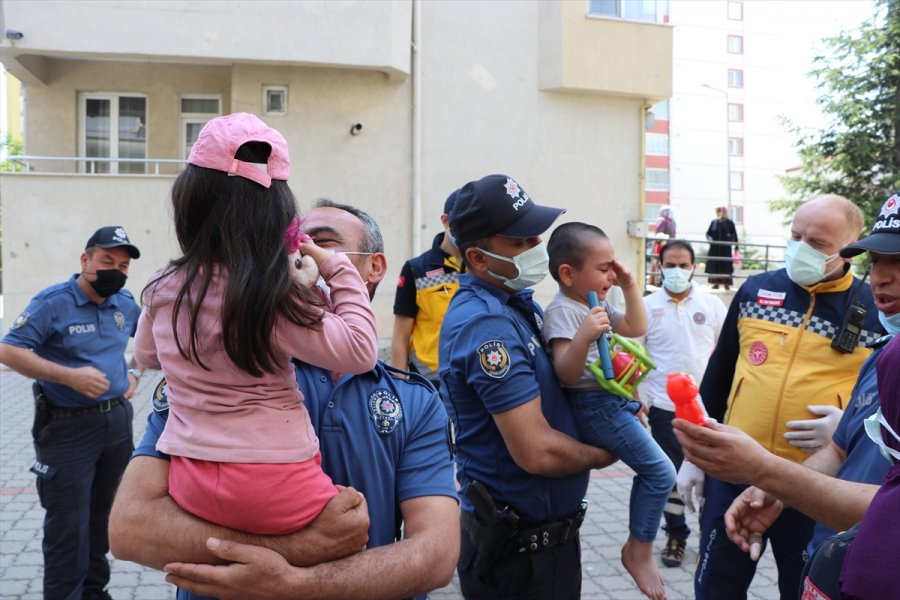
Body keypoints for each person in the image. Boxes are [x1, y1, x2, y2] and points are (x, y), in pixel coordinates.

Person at [109, 199, 460, 600]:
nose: (298, 255)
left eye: (322, 244)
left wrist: (295, 585)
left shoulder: (414, 401)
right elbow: (131, 530)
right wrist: (298, 548)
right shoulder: (217, 373)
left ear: (373, 268)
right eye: (292, 245)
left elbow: (436, 554)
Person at [133, 113, 379, 536]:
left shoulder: (162, 286)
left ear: (188, 206)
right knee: (351, 529)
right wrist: (335, 267)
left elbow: (147, 355)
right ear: (278, 215)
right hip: (276, 483)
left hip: (192, 479)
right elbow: (359, 351)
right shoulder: (272, 296)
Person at [674, 191, 900, 600]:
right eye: (796, 237)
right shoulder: (757, 291)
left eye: (817, 244)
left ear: (845, 253)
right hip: (743, 473)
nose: (800, 250)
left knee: (797, 585)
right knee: (716, 586)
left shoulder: (874, 311)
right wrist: (696, 456)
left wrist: (845, 428)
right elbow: (719, 375)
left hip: (816, 486)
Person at [438, 174, 617, 600]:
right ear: (479, 259)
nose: (538, 247)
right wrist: (608, 453)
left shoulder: (519, 305)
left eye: (536, 235)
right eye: (520, 243)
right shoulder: (487, 324)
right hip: (517, 558)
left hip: (546, 547)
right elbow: (536, 450)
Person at [671, 336, 899, 600]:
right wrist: (775, 490)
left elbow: (891, 511)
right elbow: (838, 450)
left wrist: (767, 472)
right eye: (871, 288)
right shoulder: (883, 356)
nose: (876, 291)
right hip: (829, 560)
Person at [0, 226, 144, 600]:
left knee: (102, 521)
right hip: (67, 428)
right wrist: (68, 376)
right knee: (68, 528)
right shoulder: (54, 302)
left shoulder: (124, 303)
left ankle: (94, 593)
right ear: (86, 260)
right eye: (107, 261)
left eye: (123, 264)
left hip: (116, 422)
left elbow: (148, 340)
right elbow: (9, 351)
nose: (116, 269)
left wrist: (132, 371)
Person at [541, 222, 671, 600]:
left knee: (655, 471)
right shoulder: (564, 312)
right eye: (603, 269)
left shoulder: (592, 303)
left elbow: (635, 325)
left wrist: (631, 285)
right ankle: (639, 550)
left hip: (615, 400)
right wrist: (583, 335)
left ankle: (640, 546)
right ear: (568, 273)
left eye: (613, 267)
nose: (611, 275)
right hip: (594, 405)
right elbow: (565, 373)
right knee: (661, 473)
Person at [633, 239, 727, 568]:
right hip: (664, 409)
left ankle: (708, 539)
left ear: (694, 267)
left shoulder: (712, 305)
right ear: (659, 267)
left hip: (709, 409)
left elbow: (728, 354)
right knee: (671, 476)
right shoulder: (645, 306)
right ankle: (676, 535)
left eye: (683, 265)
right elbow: (634, 355)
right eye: (670, 264)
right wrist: (636, 398)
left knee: (711, 476)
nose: (677, 271)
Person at [391, 189, 463, 385]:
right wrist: (401, 386)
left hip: (472, 376)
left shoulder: (481, 266)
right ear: (446, 221)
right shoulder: (417, 269)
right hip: (430, 381)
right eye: (462, 223)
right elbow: (400, 336)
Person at [705, 206, 738, 289]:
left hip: (725, 248)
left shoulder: (730, 222)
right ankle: (716, 283)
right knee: (715, 265)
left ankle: (726, 284)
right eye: (719, 211)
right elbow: (708, 233)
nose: (720, 213)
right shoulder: (714, 222)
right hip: (715, 248)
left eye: (722, 212)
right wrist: (710, 240)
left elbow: (734, 234)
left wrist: (736, 246)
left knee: (726, 265)